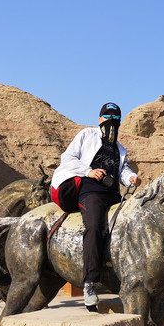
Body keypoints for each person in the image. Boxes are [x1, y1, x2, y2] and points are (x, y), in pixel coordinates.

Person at [50, 102, 141, 307]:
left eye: (115, 117)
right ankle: (89, 283)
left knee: (133, 223)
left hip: (114, 194)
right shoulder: (87, 135)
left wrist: (131, 178)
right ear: (100, 118)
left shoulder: (120, 149)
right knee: (94, 226)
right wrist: (88, 171)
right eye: (107, 116)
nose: (111, 120)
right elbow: (67, 158)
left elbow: (123, 171)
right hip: (91, 191)